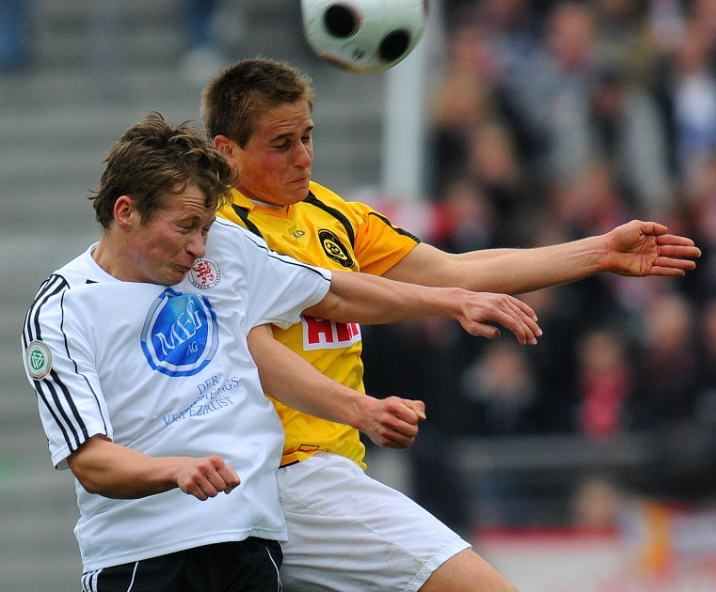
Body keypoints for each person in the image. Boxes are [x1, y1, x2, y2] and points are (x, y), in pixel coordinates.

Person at [202, 57, 702, 592]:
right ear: (226, 151)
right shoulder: (215, 232)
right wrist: (363, 405)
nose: (303, 157)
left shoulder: (330, 211)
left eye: (307, 137)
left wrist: (600, 251)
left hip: (327, 472)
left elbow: (456, 270)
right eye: (282, 144)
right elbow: (266, 344)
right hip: (289, 473)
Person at [20, 112, 542, 591]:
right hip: (148, 555)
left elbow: (332, 291)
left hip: (251, 539)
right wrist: (174, 470)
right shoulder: (62, 310)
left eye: (204, 228)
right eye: (185, 227)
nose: (199, 246)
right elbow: (91, 462)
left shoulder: (226, 248)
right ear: (126, 212)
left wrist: (450, 301)